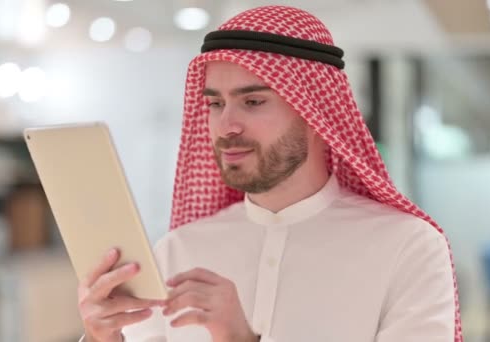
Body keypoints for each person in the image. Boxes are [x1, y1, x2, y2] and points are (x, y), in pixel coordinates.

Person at [77, 5, 463, 342]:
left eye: (253, 101)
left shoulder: (408, 247)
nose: (226, 125)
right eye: (214, 103)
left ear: (315, 113)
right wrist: (102, 337)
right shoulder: (178, 250)